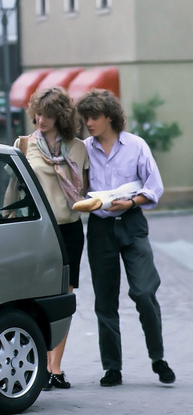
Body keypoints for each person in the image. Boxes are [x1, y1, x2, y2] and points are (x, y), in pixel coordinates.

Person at [76, 88, 175, 387]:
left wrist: (131, 202)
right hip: (100, 228)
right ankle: (112, 367)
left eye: (94, 117)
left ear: (110, 117)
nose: (89, 123)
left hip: (132, 223)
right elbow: (77, 189)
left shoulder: (136, 146)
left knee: (144, 292)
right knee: (105, 301)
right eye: (86, 118)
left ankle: (158, 358)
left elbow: (154, 187)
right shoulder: (84, 149)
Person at [9, 87, 89, 390]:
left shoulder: (79, 147)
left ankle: (55, 367)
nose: (41, 119)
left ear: (61, 116)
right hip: (37, 232)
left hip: (69, 230)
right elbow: (14, 188)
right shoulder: (25, 143)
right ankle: (40, 364)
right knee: (36, 295)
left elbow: (84, 192)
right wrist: (7, 219)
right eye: (38, 113)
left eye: (48, 114)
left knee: (63, 298)